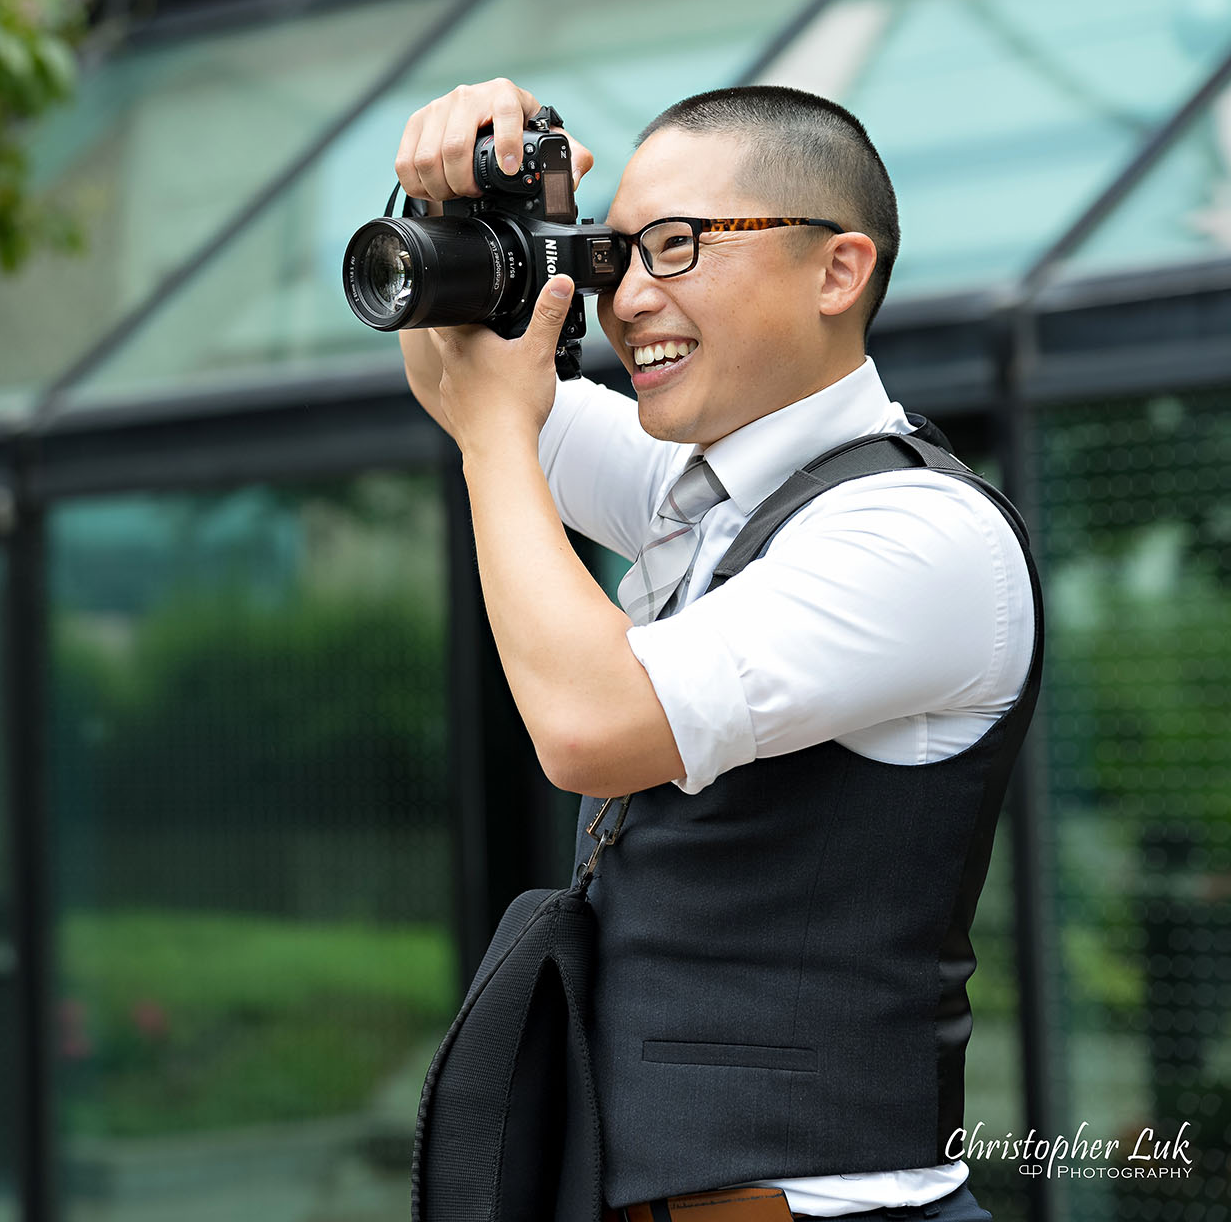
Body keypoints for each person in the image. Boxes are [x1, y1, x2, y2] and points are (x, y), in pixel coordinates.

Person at [393, 79, 1041, 1222]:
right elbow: (457, 369)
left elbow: (593, 726)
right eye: (619, 253)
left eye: (679, 246)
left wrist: (499, 433)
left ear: (839, 270)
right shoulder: (701, 485)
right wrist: (442, 183)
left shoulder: (922, 533)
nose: (631, 295)